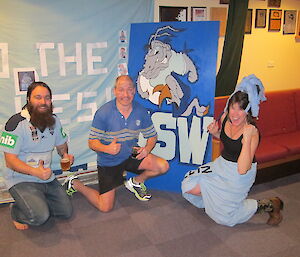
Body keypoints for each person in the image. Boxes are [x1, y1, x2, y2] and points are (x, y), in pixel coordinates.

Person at [181, 74, 284, 227]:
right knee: (187, 186)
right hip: (222, 165)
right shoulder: (225, 118)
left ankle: (269, 204)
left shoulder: (252, 132)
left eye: (240, 110)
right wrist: (216, 133)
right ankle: (216, 203)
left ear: (248, 111)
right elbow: (228, 143)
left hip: (239, 174)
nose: (235, 114)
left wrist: (247, 140)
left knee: (225, 219)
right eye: (232, 108)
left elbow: (242, 169)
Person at [63, 75, 169, 212]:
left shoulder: (140, 111)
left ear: (134, 91)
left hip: (130, 154)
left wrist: (147, 149)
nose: (125, 94)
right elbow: (92, 142)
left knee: (163, 166)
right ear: (115, 91)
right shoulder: (103, 113)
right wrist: (107, 148)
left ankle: (136, 183)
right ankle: (75, 184)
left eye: (129, 90)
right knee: (105, 207)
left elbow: (152, 136)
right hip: (109, 161)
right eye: (121, 90)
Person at [0, 82, 74, 230]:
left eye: (47, 98)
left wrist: (65, 154)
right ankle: (17, 211)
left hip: (46, 177)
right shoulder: (15, 124)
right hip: (20, 179)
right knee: (40, 217)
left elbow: (61, 146)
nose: (43, 102)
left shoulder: (54, 120)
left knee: (66, 212)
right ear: (29, 99)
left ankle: (36, 201)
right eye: (38, 97)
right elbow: (10, 161)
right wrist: (35, 172)